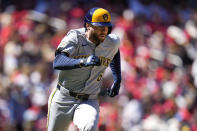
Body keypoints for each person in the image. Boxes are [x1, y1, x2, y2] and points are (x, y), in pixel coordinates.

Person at [47, 7, 121, 131]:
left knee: (90, 126)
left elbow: (115, 53)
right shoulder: (75, 37)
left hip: (89, 100)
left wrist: (117, 78)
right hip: (63, 98)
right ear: (88, 26)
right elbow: (58, 61)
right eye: (99, 27)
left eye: (106, 27)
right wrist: (82, 61)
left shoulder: (112, 42)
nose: (103, 31)